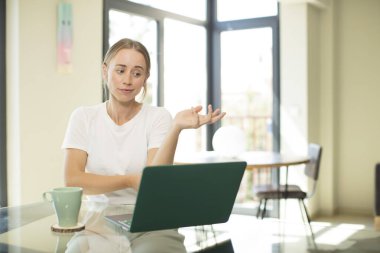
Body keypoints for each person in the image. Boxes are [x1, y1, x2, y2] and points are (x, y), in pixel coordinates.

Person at [62, 38, 225, 204]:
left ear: (145, 77)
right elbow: (73, 180)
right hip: (96, 219)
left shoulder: (158, 117)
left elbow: (155, 184)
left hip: (145, 214)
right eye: (120, 71)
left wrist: (176, 128)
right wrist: (129, 180)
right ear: (105, 71)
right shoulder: (83, 117)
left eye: (137, 73)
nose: (127, 80)